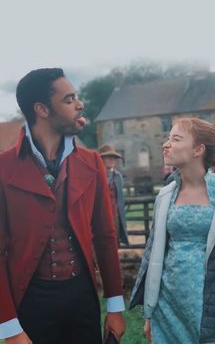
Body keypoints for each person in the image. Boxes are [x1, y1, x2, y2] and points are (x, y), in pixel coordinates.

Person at [0, 68, 125, 344]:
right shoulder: (3, 168)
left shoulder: (92, 162)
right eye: (69, 99)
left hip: (82, 297)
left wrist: (115, 306)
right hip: (31, 301)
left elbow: (105, 236)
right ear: (42, 109)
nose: (79, 104)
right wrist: (9, 327)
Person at [130, 117, 215, 344]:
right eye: (168, 138)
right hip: (167, 308)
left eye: (176, 139)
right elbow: (153, 255)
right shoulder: (166, 195)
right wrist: (149, 314)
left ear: (199, 149)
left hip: (212, 311)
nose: (166, 144)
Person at [98, 145, 129, 246]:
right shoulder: (96, 175)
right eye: (109, 157)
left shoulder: (118, 176)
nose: (112, 160)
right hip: (100, 215)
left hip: (114, 214)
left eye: (114, 158)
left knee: (114, 242)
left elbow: (120, 198)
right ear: (101, 159)